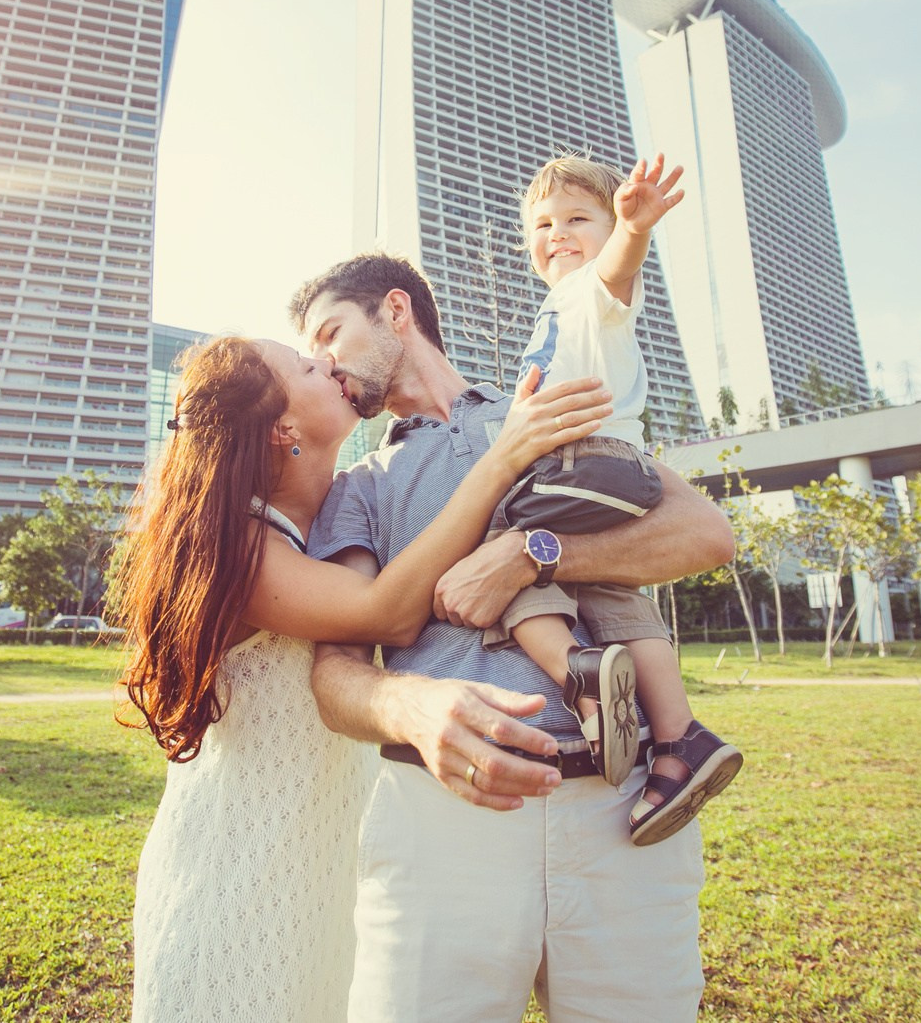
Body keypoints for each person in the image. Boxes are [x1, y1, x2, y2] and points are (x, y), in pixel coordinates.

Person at [292, 254, 737, 1023]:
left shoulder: (544, 405)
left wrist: (533, 554)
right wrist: (412, 710)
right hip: (442, 818)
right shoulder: (357, 486)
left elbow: (705, 531)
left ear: (396, 310)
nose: (321, 362)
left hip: (623, 810)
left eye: (331, 332)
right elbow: (334, 672)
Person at [113, 334, 610, 1023]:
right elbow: (387, 613)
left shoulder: (321, 521)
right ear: (284, 428)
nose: (330, 364)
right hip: (242, 868)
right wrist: (503, 458)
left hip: (322, 861)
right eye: (308, 366)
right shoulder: (246, 547)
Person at [486, 152, 743, 843]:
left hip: (586, 463)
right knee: (603, 583)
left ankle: (580, 672)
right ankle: (680, 738)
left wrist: (633, 228)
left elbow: (618, 272)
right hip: (611, 471)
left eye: (578, 219)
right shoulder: (557, 303)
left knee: (497, 552)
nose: (559, 234)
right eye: (543, 224)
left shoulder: (588, 291)